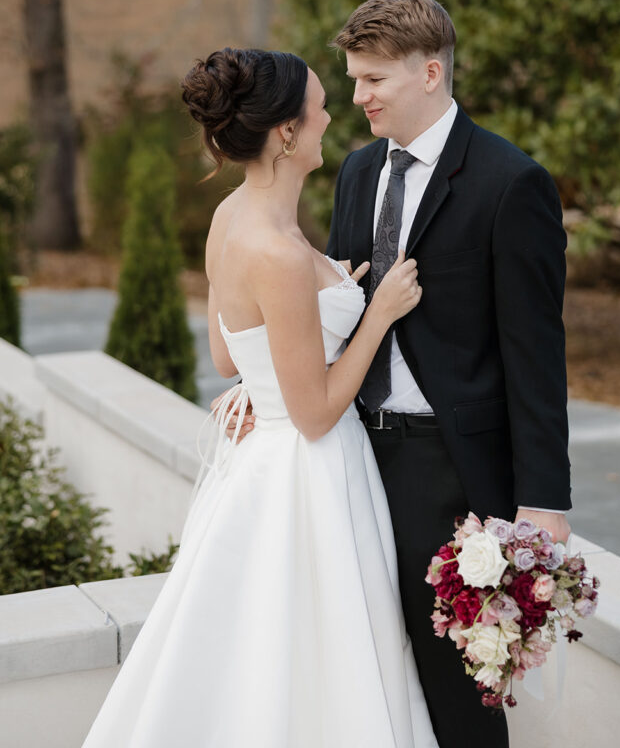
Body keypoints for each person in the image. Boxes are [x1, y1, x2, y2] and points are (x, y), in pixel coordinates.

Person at [81, 47, 438, 748]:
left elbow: (225, 352)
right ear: (284, 132)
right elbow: (312, 414)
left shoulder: (231, 218)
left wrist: (280, 355)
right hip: (310, 477)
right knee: (316, 658)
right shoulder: (274, 251)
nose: (332, 112)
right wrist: (375, 312)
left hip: (264, 465)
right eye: (318, 104)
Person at [322, 0, 573, 747]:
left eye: (373, 80)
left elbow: (536, 354)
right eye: (354, 78)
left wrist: (542, 501)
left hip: (453, 473)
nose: (357, 96)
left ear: (429, 72)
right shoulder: (356, 172)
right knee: (374, 668)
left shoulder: (509, 182)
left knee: (457, 689)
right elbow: (335, 307)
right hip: (355, 454)